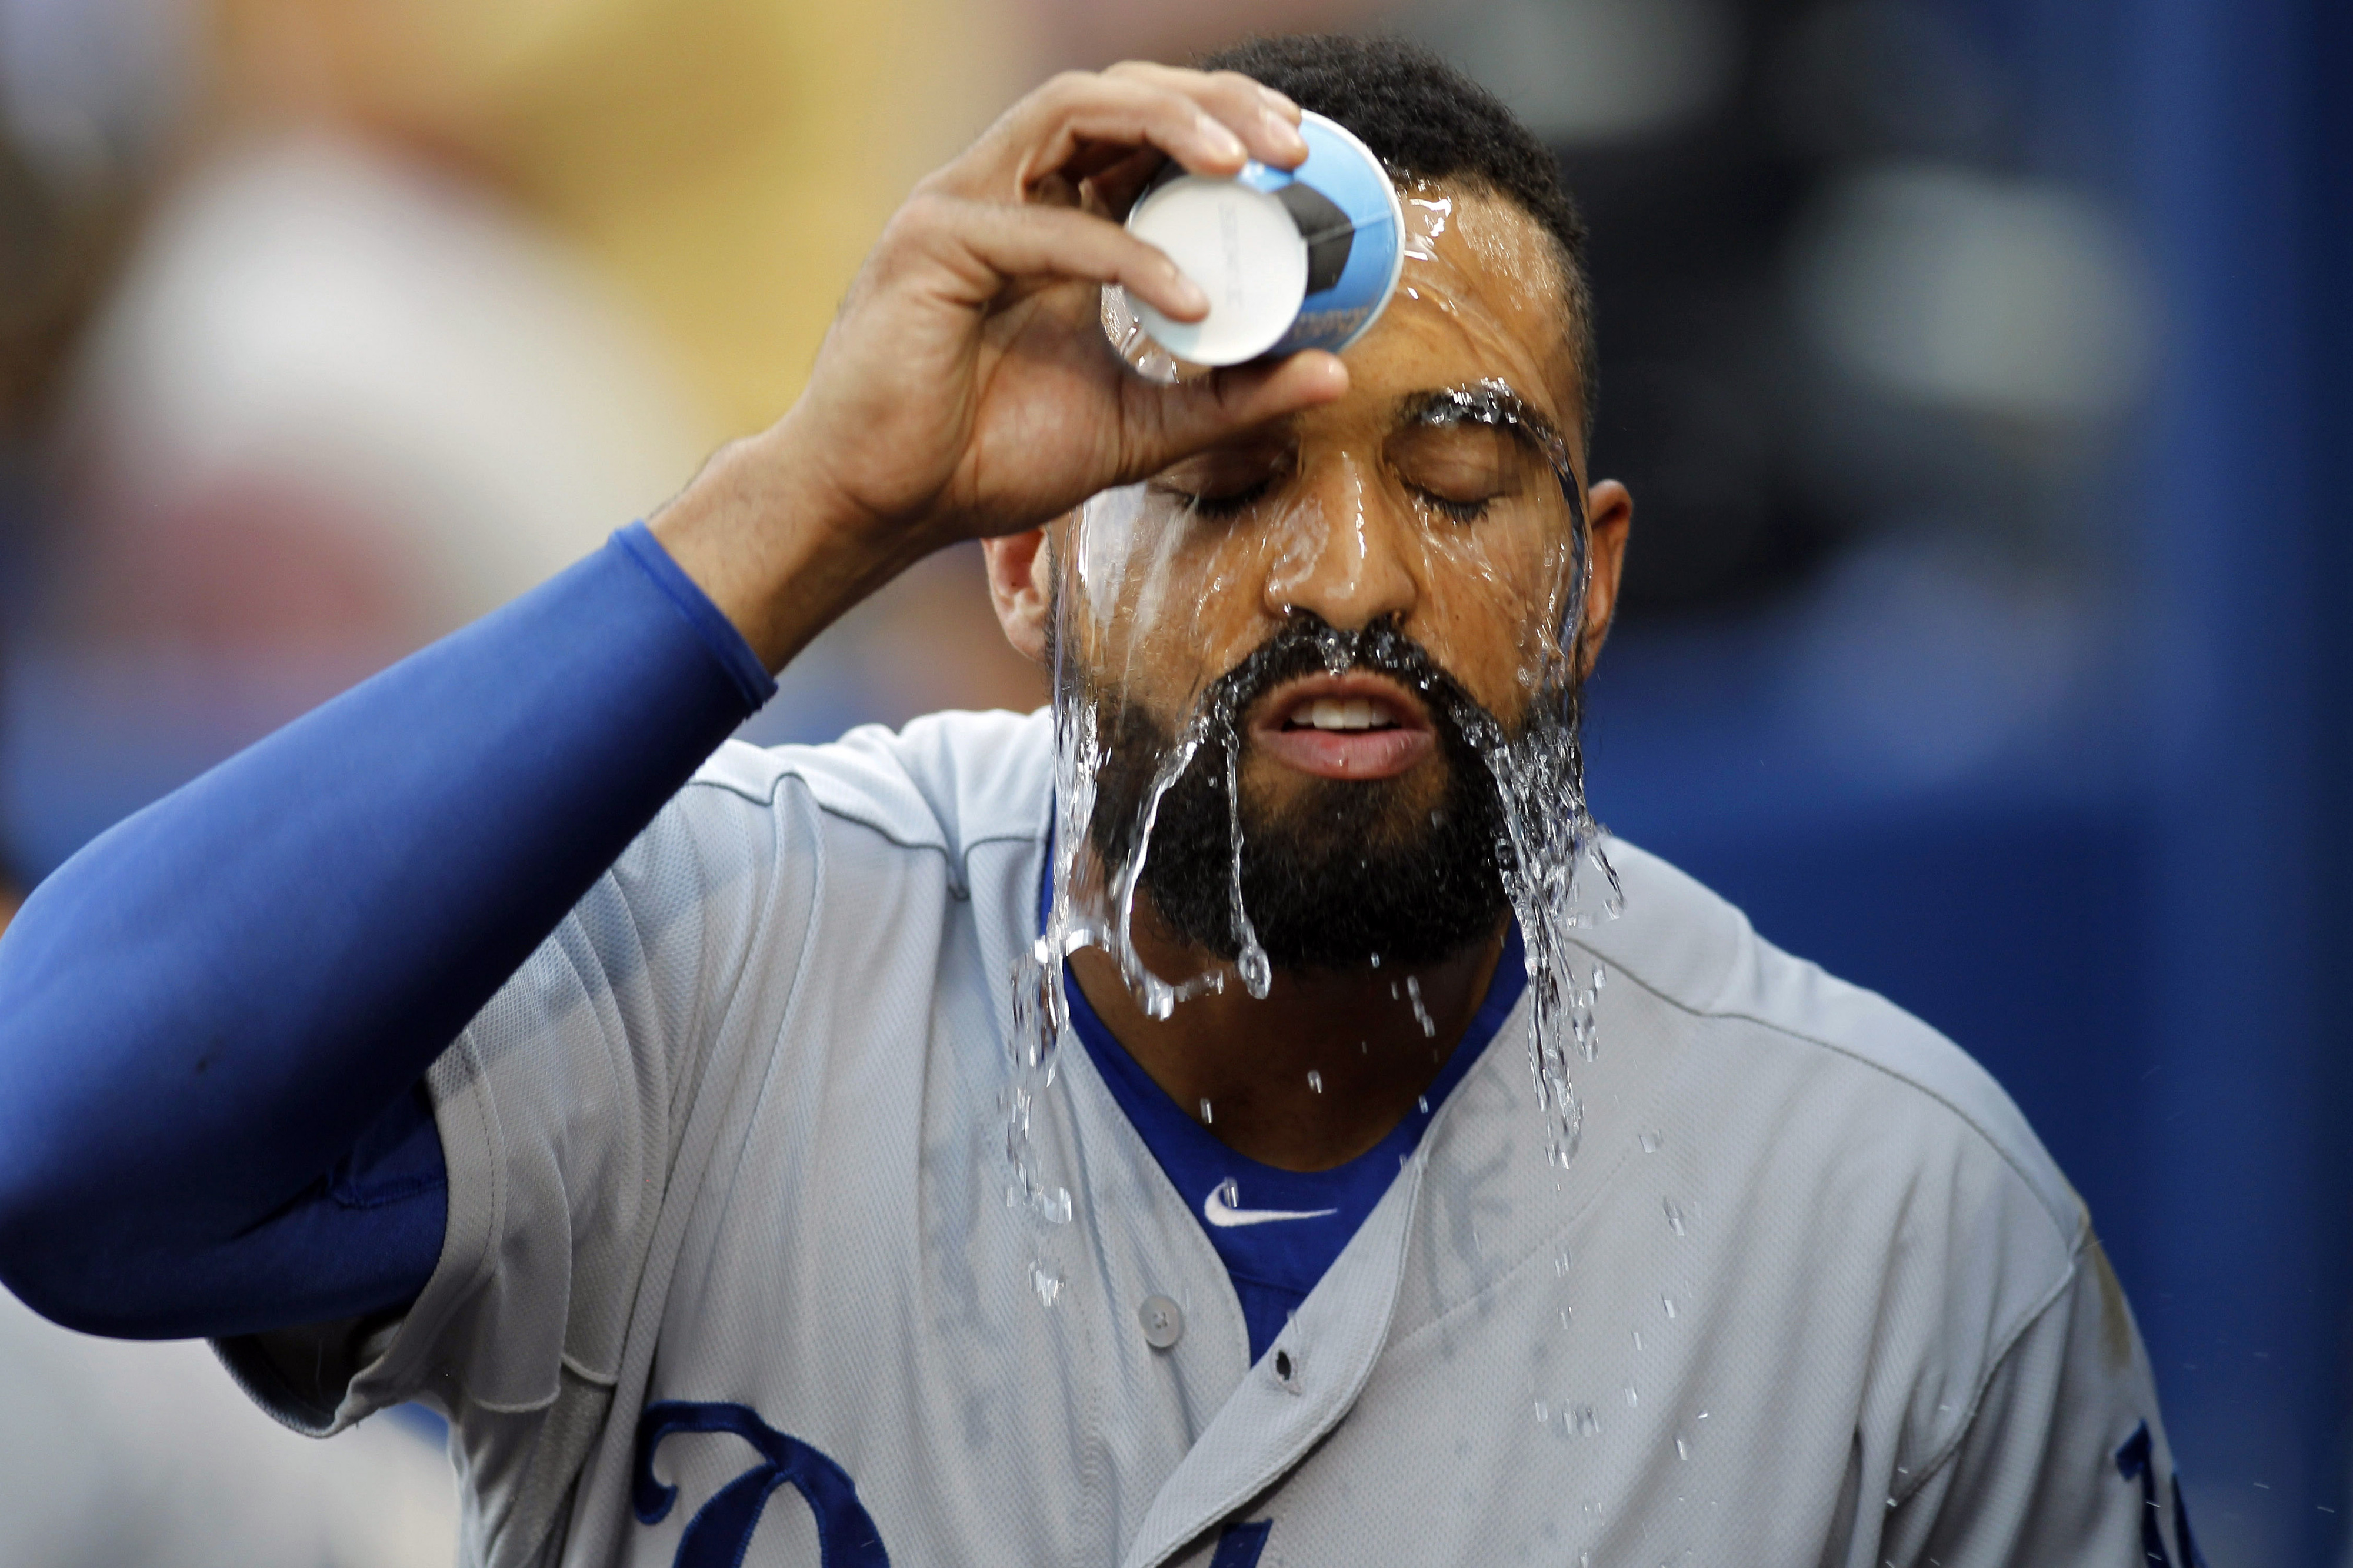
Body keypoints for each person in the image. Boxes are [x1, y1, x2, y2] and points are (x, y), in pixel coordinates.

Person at [0, 35, 2195, 1568]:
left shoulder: (1906, 1224)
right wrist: (811, 502)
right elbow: (61, 1125)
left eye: (1455, 482)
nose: (1351, 576)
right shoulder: (707, 957)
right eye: (1223, 479)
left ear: (1595, 577)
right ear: (1026, 550)